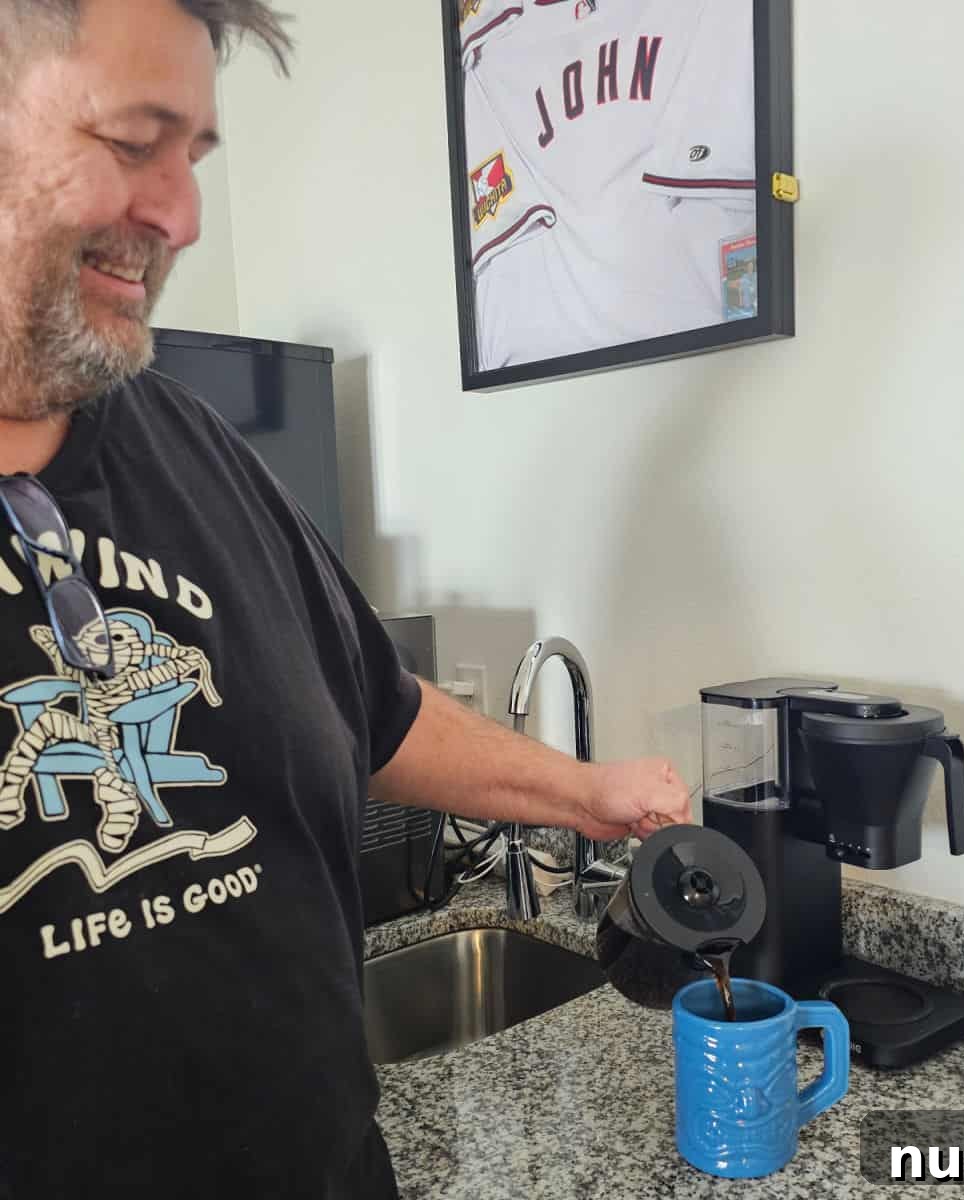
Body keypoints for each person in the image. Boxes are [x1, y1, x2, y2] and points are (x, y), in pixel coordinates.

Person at [0, 2, 692, 1196]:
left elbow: (375, 713)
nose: (181, 213)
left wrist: (584, 792)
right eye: (132, 142)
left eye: (194, 155)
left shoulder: (195, 449)